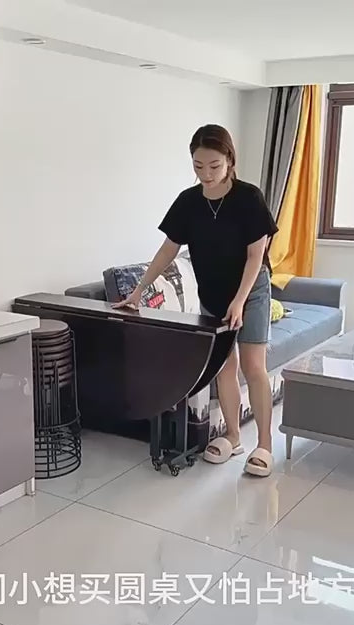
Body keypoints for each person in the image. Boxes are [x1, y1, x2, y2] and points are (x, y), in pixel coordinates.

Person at [113, 124, 278, 477]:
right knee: (224, 366)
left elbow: (255, 256)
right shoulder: (189, 202)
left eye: (214, 166)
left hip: (251, 290)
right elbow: (168, 250)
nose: (206, 174)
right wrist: (138, 291)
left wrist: (239, 301)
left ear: (230, 160)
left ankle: (264, 445)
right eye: (198, 166)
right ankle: (233, 437)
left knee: (253, 366)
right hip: (213, 293)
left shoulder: (249, 198)